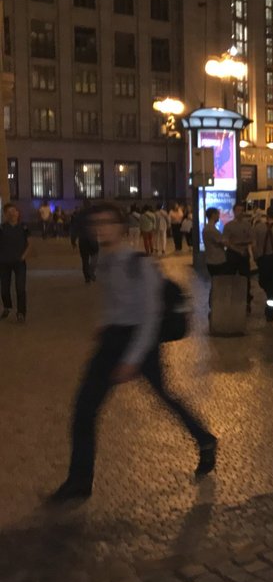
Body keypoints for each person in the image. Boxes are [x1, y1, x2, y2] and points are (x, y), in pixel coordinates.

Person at [47, 203, 216, 504]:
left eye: (107, 223)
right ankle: (79, 481)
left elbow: (150, 316)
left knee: (165, 398)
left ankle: (204, 439)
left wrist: (132, 358)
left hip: (140, 340)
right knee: (84, 408)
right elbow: (113, 301)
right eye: (96, 224)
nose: (101, 229)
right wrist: (104, 326)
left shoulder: (139, 264)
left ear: (121, 227)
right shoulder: (105, 262)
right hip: (113, 339)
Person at [0, 203, 30, 323]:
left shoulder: (23, 227)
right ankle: (7, 306)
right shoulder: (2, 228)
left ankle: (21, 313)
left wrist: (23, 256)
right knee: (4, 289)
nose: (12, 213)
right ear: (6, 214)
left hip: (19, 262)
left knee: (20, 288)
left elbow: (29, 243)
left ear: (18, 213)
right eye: (9, 212)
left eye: (14, 211)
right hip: (4, 262)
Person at [222, 202, 254, 313]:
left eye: (242, 210)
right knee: (230, 277)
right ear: (234, 212)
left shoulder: (247, 225)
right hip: (233, 254)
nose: (240, 212)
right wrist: (237, 249)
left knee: (246, 278)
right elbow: (225, 242)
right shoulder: (229, 226)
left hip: (244, 253)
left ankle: (246, 301)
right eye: (238, 210)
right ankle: (230, 300)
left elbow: (251, 239)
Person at [69, 203, 100, 284]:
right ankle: (91, 271)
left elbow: (74, 229)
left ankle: (87, 278)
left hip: (82, 240)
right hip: (92, 239)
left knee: (84, 260)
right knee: (95, 256)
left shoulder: (78, 217)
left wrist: (73, 241)